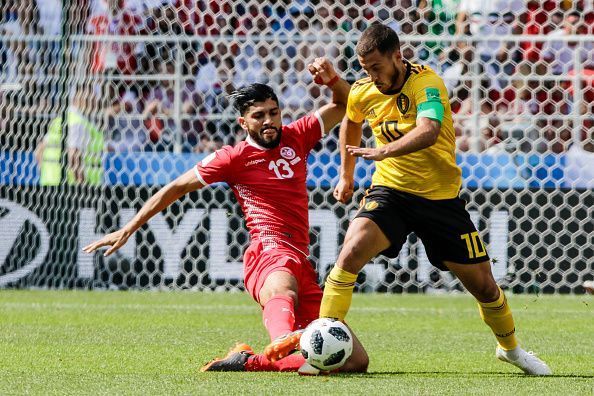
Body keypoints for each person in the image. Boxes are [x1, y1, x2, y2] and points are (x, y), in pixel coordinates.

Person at [266, 23, 552, 376]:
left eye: (377, 68)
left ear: (397, 56)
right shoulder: (362, 90)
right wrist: (346, 174)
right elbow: (350, 123)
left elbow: (428, 131)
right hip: (391, 193)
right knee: (350, 253)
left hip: (439, 200)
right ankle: (320, 348)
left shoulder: (427, 83)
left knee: (484, 286)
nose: (372, 76)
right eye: (365, 69)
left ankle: (511, 349)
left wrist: (384, 150)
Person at [82, 58, 369, 375]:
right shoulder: (233, 158)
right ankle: (282, 337)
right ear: (243, 123)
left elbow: (347, 105)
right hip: (267, 253)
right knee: (282, 289)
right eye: (259, 116)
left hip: (302, 259)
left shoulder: (297, 136)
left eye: (273, 112)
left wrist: (332, 80)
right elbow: (176, 187)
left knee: (355, 362)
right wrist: (128, 228)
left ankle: (250, 361)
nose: (269, 121)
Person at [36, 86, 104, 186]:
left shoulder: (59, 120)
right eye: (90, 94)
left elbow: (38, 151)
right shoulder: (78, 123)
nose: (95, 98)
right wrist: (82, 187)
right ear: (77, 98)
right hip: (71, 187)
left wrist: (47, 173)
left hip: (48, 183)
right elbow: (73, 157)